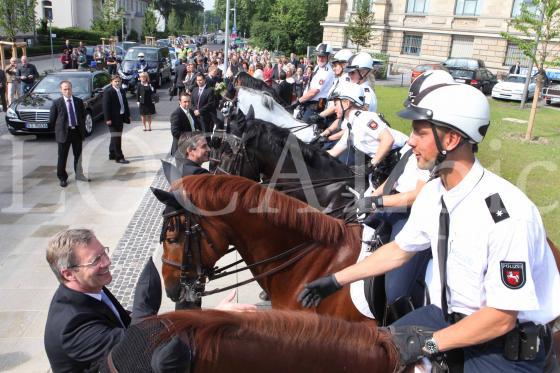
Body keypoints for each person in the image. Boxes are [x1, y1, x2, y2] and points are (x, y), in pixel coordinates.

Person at [298, 74, 560, 371]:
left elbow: (500, 318)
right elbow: (399, 250)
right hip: (443, 317)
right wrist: (336, 280)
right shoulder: (435, 192)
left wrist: (429, 344)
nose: (409, 140)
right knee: (368, 355)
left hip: (500, 345)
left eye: (420, 132)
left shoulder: (505, 214)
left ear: (450, 139)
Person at [44, 228, 254, 372]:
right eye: (95, 260)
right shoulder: (71, 326)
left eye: (104, 253)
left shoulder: (89, 286)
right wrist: (210, 318)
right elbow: (137, 345)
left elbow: (129, 324)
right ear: (68, 274)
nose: (107, 262)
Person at [327, 82, 407, 168]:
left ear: (347, 103)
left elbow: (388, 139)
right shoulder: (352, 124)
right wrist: (312, 153)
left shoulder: (363, 118)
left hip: (404, 157)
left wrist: (371, 165)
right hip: (389, 161)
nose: (334, 108)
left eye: (336, 104)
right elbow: (333, 152)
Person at [49, 80, 90, 187]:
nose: (67, 91)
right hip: (64, 134)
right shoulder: (57, 103)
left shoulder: (78, 101)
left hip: (76, 132)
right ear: (61, 90)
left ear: (72, 89)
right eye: (65, 89)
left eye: (69, 89)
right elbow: (52, 120)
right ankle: (62, 177)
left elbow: (83, 115)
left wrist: (82, 128)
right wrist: (58, 132)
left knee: (78, 155)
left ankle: (79, 174)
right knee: (62, 157)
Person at [315, 49, 353, 148]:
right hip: (332, 117)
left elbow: (338, 105)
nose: (333, 68)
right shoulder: (340, 79)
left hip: (337, 119)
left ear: (344, 65)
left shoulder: (346, 81)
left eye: (336, 65)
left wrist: (320, 115)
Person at [290, 43, 335, 123]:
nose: (320, 58)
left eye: (323, 56)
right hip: (308, 102)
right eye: (319, 56)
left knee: (303, 128)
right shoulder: (318, 67)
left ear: (329, 57)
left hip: (316, 106)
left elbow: (314, 92)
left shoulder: (326, 72)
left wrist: (298, 101)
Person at [103, 75, 131, 164]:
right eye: (115, 81)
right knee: (117, 137)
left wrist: (128, 115)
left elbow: (125, 103)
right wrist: (108, 119)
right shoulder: (108, 92)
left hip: (121, 116)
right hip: (112, 118)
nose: (117, 83)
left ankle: (112, 153)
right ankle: (119, 157)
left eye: (119, 81)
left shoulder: (122, 91)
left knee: (115, 136)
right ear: (111, 82)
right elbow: (105, 106)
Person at [170, 92, 199, 156]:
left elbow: (195, 125)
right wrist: (190, 136)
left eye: (189, 101)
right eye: (185, 102)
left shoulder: (191, 111)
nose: (187, 104)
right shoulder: (176, 114)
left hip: (191, 147)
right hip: (181, 149)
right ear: (179, 102)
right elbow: (175, 132)